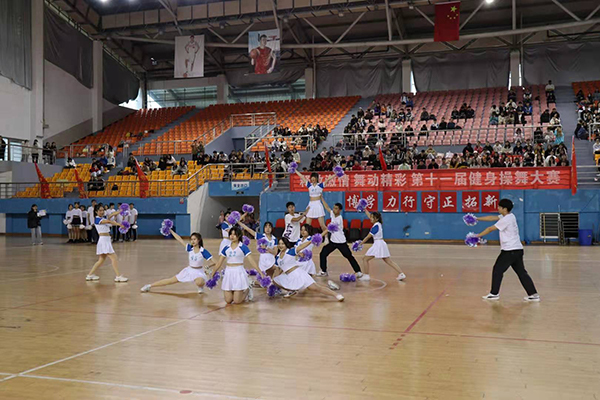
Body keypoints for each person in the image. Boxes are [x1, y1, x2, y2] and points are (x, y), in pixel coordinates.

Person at [475, 199, 540, 302]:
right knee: (521, 272)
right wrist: (476, 218)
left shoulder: (506, 220)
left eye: (499, 207)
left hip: (510, 250)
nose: (498, 208)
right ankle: (533, 294)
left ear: (504, 209)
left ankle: (494, 293)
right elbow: (491, 218)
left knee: (497, 270)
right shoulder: (510, 216)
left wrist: (476, 236)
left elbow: (490, 228)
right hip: (517, 250)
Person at [272, 238, 345, 301]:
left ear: (286, 244)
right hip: (289, 276)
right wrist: (272, 280)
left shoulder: (290, 251)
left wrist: (311, 241)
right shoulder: (277, 257)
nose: (281, 245)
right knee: (275, 280)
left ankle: (336, 295)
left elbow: (301, 246)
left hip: (298, 274)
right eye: (279, 244)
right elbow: (278, 269)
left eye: (282, 244)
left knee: (315, 288)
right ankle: (291, 290)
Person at [141, 231, 214, 294]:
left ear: (199, 240)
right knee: (170, 280)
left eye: (194, 239)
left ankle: (200, 287)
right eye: (191, 239)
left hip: (199, 271)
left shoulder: (203, 251)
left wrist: (208, 267)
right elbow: (179, 239)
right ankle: (149, 286)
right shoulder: (189, 248)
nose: (192, 241)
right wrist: (171, 231)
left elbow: (215, 262)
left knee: (199, 282)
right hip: (189, 270)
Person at [209, 227, 261, 304]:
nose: (232, 236)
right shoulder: (226, 248)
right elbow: (219, 262)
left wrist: (260, 272)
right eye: (231, 234)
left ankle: (248, 289)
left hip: (239, 271)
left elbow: (251, 261)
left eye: (234, 234)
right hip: (228, 272)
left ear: (239, 235)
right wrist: (213, 272)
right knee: (228, 300)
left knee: (237, 301)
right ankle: (236, 292)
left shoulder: (243, 247)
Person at [318, 198, 363, 281]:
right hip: (333, 242)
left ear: (339, 210)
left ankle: (358, 271)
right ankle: (324, 271)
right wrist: (321, 198)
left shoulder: (339, 219)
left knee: (349, 256)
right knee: (323, 253)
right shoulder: (332, 214)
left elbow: (328, 229)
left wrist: (320, 236)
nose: (334, 209)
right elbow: (327, 207)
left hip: (341, 242)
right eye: (334, 208)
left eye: (336, 208)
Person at [357, 211, 406, 282]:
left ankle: (366, 276)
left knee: (365, 259)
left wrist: (360, 243)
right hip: (381, 243)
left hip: (378, 244)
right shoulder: (378, 224)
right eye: (371, 217)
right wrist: (365, 209)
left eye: (372, 218)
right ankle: (401, 274)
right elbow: (369, 215)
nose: (370, 218)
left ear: (376, 219)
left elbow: (368, 237)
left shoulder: (375, 226)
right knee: (388, 261)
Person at [85, 205, 128, 282]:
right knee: (114, 258)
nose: (102, 212)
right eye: (100, 210)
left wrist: (120, 211)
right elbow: (109, 221)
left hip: (106, 240)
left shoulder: (103, 218)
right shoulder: (97, 219)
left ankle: (90, 275)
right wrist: (119, 224)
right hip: (104, 240)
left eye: (103, 210)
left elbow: (111, 215)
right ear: (96, 212)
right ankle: (118, 276)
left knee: (101, 260)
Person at [293, 170, 337, 238]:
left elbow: (328, 179)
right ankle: (306, 238)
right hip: (310, 205)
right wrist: (295, 170)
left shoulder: (320, 185)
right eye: (312, 178)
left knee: (322, 225)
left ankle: (326, 238)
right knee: (307, 225)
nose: (313, 179)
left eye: (314, 178)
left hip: (318, 205)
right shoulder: (309, 185)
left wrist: (336, 174)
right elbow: (302, 177)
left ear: (317, 178)